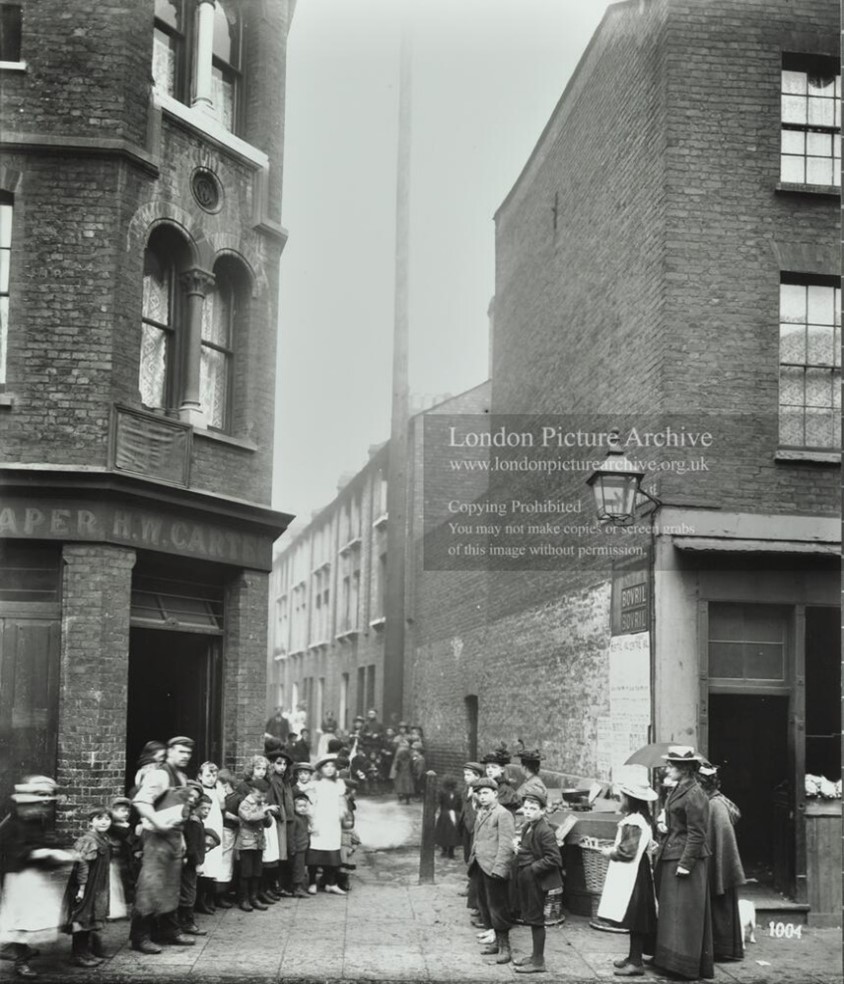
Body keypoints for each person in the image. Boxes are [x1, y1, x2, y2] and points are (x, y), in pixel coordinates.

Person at [0, 776, 76, 978]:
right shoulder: (13, 823)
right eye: (41, 795)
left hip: (34, 876)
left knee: (36, 915)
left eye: (49, 796)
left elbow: (45, 841)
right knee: (22, 919)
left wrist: (57, 853)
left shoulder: (37, 819)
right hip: (19, 876)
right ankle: (20, 960)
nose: (46, 801)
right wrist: (41, 853)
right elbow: (15, 849)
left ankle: (23, 949)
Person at [130, 736, 196, 954]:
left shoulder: (183, 778)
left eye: (188, 752)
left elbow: (182, 812)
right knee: (151, 886)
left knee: (170, 886)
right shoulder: (159, 775)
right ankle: (140, 937)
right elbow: (140, 801)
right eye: (180, 751)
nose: (185, 756)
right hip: (156, 838)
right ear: (169, 751)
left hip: (174, 838)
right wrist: (158, 823)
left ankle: (168, 930)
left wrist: (183, 838)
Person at [653, 746, 714, 981]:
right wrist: (665, 826)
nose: (667, 768)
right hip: (673, 853)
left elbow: (697, 834)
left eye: (671, 764)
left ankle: (684, 966)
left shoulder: (695, 793)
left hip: (686, 860)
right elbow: (679, 822)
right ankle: (669, 962)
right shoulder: (679, 788)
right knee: (672, 913)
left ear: (684, 768)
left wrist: (686, 864)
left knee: (685, 914)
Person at [596, 782, 659, 978]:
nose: (619, 800)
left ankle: (636, 962)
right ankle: (633, 957)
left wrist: (610, 852)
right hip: (638, 871)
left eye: (622, 797)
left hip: (634, 875)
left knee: (635, 917)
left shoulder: (634, 822)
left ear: (630, 800)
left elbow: (627, 851)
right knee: (634, 917)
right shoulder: (640, 819)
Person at [510, 790, 563, 974]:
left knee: (536, 919)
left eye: (533, 808)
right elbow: (530, 849)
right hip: (527, 879)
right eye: (526, 808)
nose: (528, 811)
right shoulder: (528, 826)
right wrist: (520, 849)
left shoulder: (544, 830)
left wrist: (533, 868)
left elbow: (554, 859)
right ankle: (534, 956)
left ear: (542, 811)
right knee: (531, 918)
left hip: (538, 881)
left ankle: (539, 961)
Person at [698, 765, 745, 962]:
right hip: (716, 864)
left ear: (704, 784)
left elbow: (720, 840)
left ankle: (721, 947)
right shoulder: (712, 802)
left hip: (719, 866)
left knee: (720, 907)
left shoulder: (716, 806)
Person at [469, 777, 516, 965]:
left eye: (486, 793)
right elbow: (478, 838)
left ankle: (505, 948)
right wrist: (473, 858)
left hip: (494, 868)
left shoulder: (502, 814)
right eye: (479, 794)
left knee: (498, 908)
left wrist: (500, 868)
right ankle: (496, 942)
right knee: (485, 905)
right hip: (480, 865)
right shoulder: (482, 811)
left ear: (495, 794)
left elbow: (507, 844)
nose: (482, 797)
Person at [62, 806, 112, 967]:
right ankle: (77, 954)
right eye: (99, 818)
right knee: (82, 918)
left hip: (97, 885)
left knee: (90, 918)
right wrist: (82, 888)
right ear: (91, 822)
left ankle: (86, 952)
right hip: (86, 886)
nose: (104, 822)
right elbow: (82, 866)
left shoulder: (103, 839)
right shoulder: (89, 840)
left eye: (107, 819)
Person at [307, 755, 347, 895]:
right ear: (320, 769)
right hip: (319, 821)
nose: (329, 769)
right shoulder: (315, 785)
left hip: (333, 822)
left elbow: (342, 802)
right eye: (326, 766)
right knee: (316, 852)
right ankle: (312, 882)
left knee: (332, 852)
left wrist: (342, 812)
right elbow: (310, 805)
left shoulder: (339, 784)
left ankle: (331, 883)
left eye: (332, 766)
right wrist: (312, 822)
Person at [236, 777, 273, 912]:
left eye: (264, 794)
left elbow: (268, 824)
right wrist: (264, 811)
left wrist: (268, 813)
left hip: (258, 844)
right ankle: (243, 900)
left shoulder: (262, 804)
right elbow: (249, 818)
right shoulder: (245, 804)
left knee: (257, 872)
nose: (262, 797)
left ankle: (254, 898)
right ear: (252, 791)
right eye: (259, 794)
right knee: (246, 872)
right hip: (246, 844)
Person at [178, 790, 209, 937]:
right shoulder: (193, 823)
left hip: (193, 862)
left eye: (209, 809)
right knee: (189, 892)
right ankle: (187, 922)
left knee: (190, 890)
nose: (206, 812)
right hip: (190, 864)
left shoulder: (198, 822)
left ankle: (186, 921)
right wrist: (198, 863)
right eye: (204, 808)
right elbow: (192, 846)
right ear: (195, 808)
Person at [195, 762, 225, 914]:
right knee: (204, 864)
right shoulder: (199, 792)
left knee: (213, 863)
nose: (211, 778)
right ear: (200, 776)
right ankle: (200, 900)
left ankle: (209, 897)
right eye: (208, 775)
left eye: (214, 775)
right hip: (205, 830)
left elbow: (223, 807)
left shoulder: (216, 790)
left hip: (216, 829)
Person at [267, 751, 296, 896]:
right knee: (279, 851)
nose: (282, 767)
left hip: (287, 819)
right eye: (279, 763)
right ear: (272, 764)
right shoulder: (273, 780)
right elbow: (272, 800)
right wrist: (278, 814)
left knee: (287, 851)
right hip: (279, 819)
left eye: (284, 764)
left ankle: (283, 884)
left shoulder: (285, 780)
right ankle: (277, 885)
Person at [108, 797, 138, 921]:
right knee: (113, 885)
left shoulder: (127, 827)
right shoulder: (112, 827)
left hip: (125, 859)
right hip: (114, 859)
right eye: (121, 811)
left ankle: (123, 909)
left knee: (124, 884)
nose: (126, 813)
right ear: (112, 812)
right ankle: (111, 911)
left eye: (127, 811)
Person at [216, 769, 238, 908]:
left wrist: (231, 816)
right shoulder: (219, 795)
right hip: (219, 831)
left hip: (229, 831)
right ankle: (217, 894)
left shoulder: (234, 798)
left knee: (226, 862)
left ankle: (222, 894)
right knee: (221, 862)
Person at [434, 776, 462, 858]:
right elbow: (460, 805)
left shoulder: (442, 792)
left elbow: (438, 803)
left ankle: (446, 850)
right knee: (452, 832)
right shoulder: (456, 793)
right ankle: (450, 851)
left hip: (445, 814)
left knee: (444, 832)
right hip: (453, 814)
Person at [291, 792, 312, 898]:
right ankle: (297, 889)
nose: (303, 808)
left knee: (301, 868)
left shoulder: (305, 818)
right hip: (298, 848)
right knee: (298, 868)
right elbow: (292, 835)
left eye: (304, 806)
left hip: (304, 846)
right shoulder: (295, 819)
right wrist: (293, 848)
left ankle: (298, 886)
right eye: (300, 806)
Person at [391, 738, 415, 804]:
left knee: (400, 786)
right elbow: (412, 767)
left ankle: (400, 797)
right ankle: (407, 799)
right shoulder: (410, 760)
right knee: (408, 787)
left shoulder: (399, 760)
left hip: (400, 774)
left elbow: (396, 768)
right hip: (408, 775)